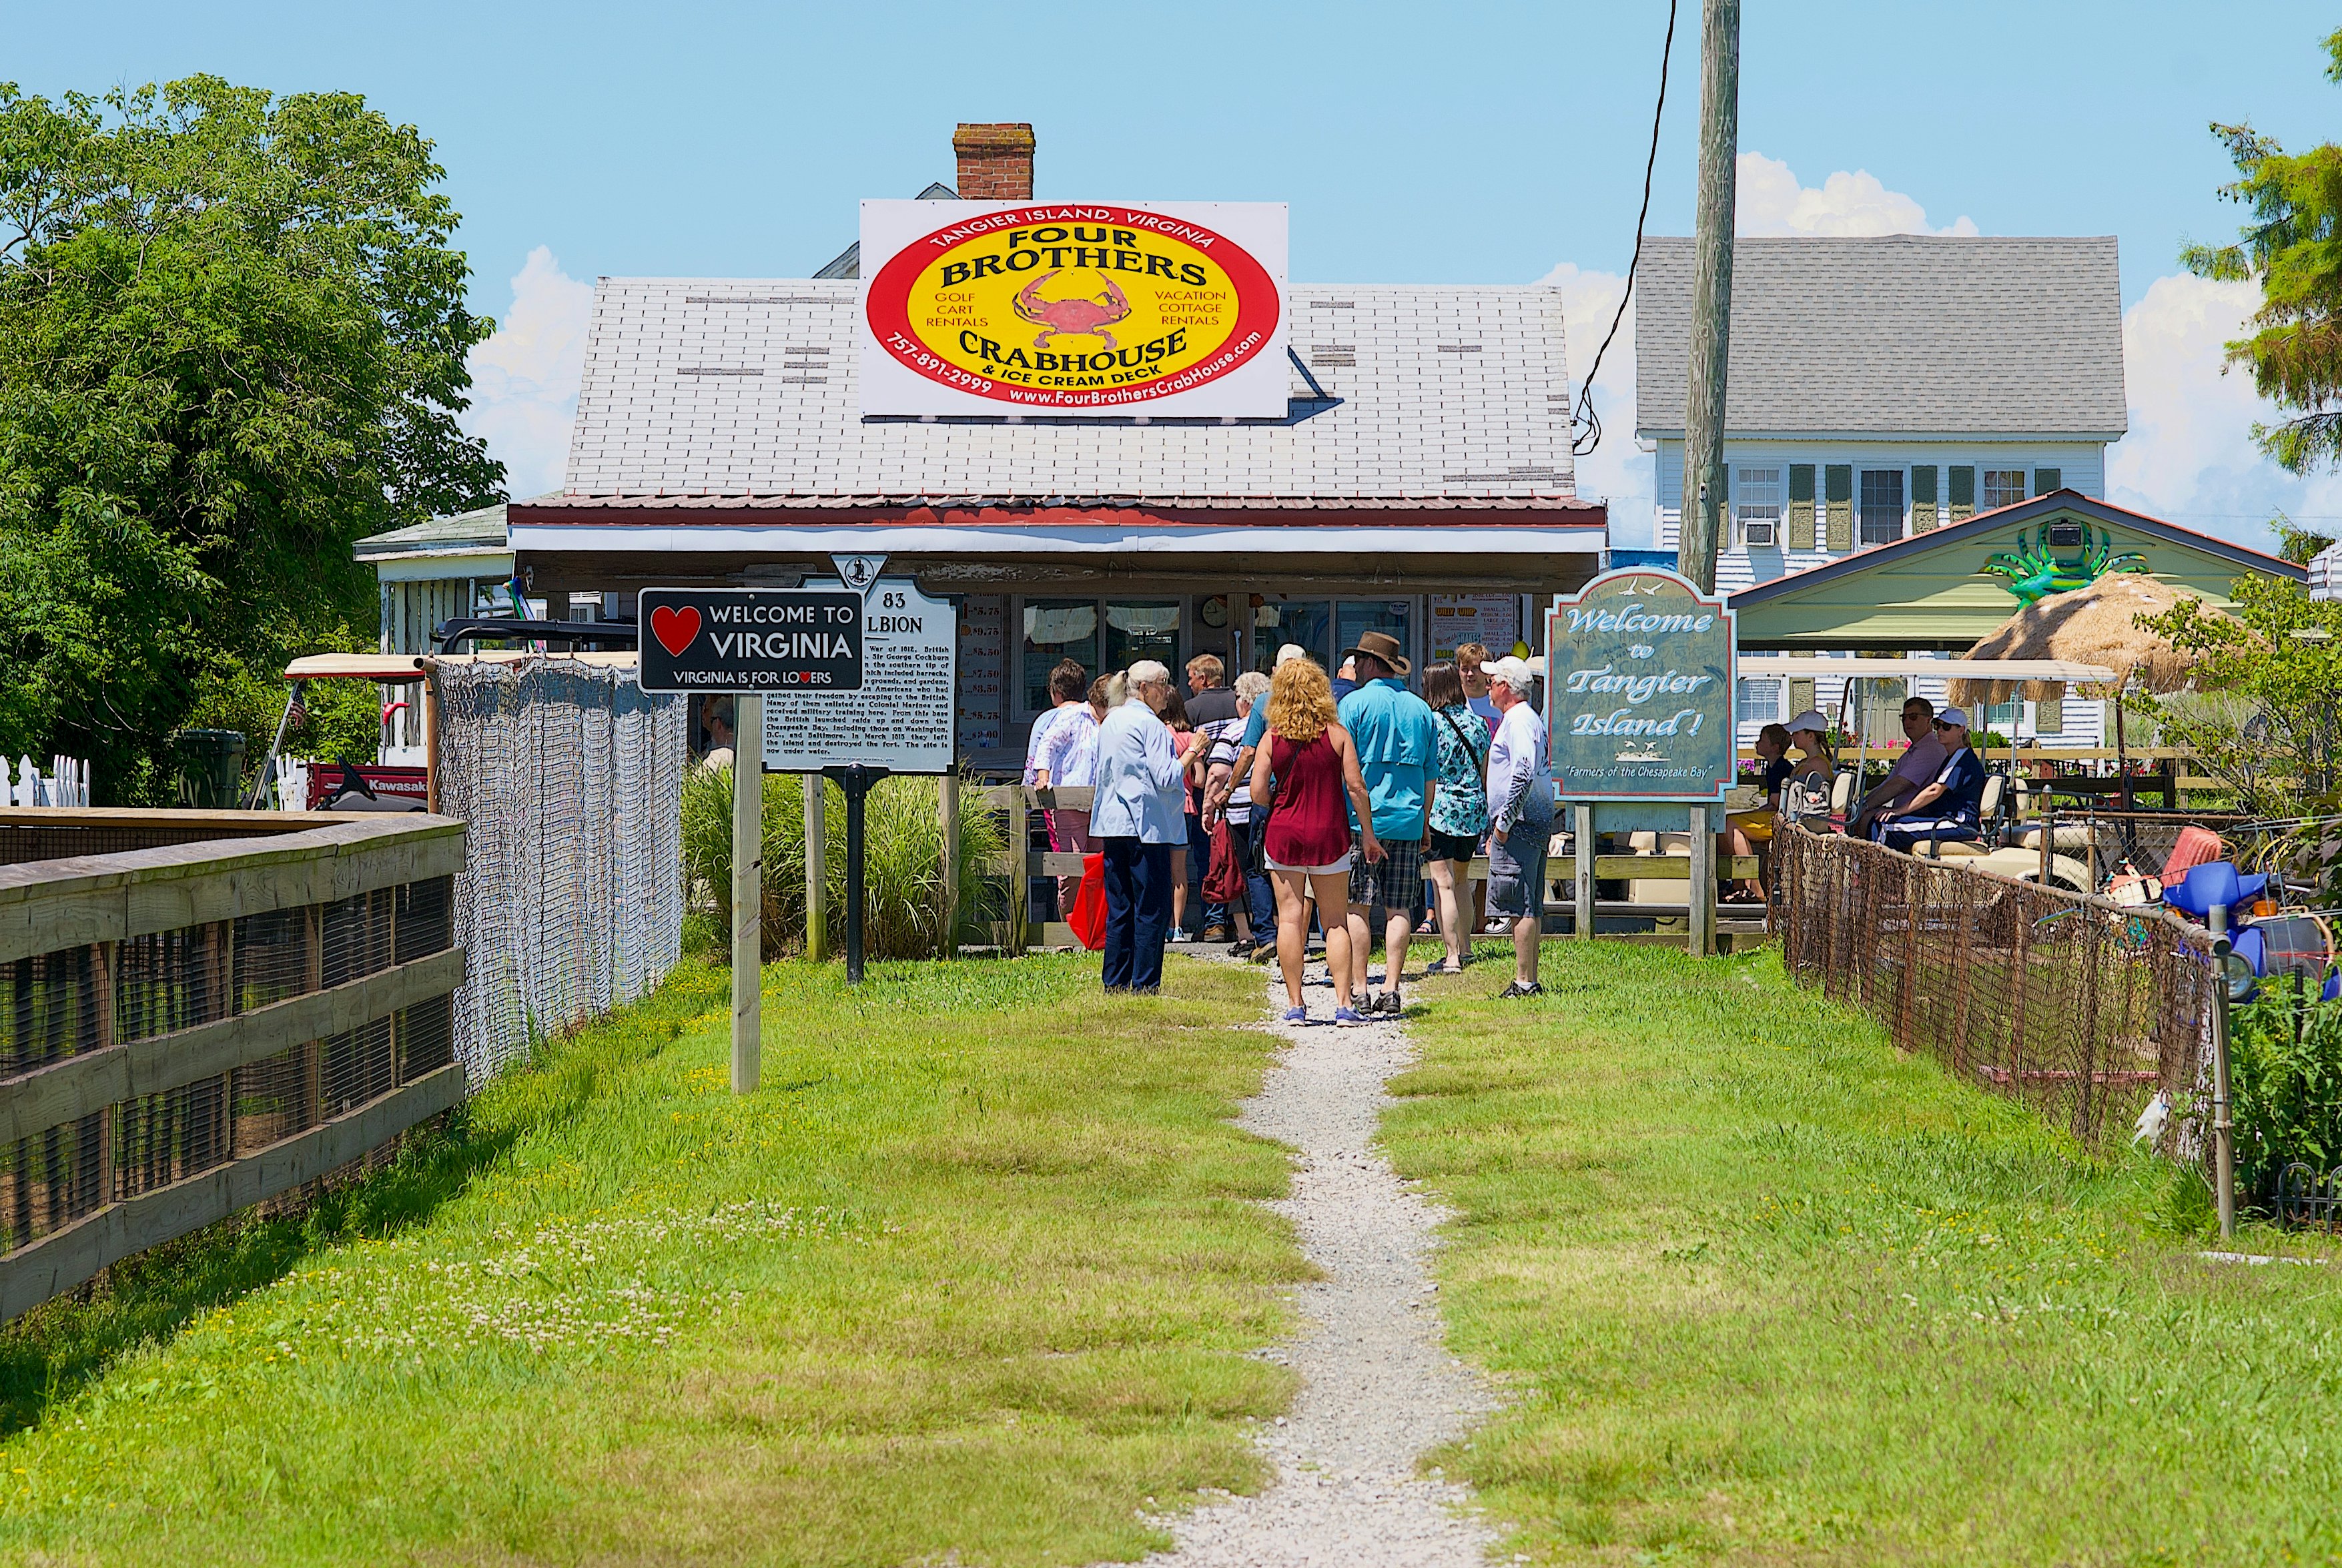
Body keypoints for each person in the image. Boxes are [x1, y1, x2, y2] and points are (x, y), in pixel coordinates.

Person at [1252, 657, 1379, 1026]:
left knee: (1290, 919)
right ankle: (1343, 1004)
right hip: (1330, 832)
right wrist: (1368, 835)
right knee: (1336, 920)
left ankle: (1295, 1004)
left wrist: (1278, 802)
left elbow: (1258, 790)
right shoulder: (1337, 734)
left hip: (1285, 833)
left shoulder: (1271, 737)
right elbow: (1356, 787)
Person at [1335, 631, 1437, 1016]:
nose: (1356, 667)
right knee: (1399, 908)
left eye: (1359, 661)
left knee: (1357, 907)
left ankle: (1360, 988)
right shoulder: (1421, 709)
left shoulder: (1354, 705)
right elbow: (1431, 776)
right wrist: (1425, 823)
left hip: (1363, 823)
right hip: (1409, 821)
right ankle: (1392, 989)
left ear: (1370, 664)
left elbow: (1345, 769)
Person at [1092, 661, 1188, 993]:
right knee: (1151, 906)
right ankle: (1145, 982)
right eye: (1163, 683)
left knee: (1120, 906)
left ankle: (1114, 980)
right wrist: (1190, 756)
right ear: (1144, 689)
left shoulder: (1110, 720)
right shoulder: (1153, 727)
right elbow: (1166, 777)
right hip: (1145, 825)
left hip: (1111, 822)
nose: (1168, 691)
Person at [1483, 655, 1552, 999]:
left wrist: (1503, 824)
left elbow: (1523, 770)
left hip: (1521, 824)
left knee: (1521, 902)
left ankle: (1524, 981)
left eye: (1493, 681)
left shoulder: (1519, 721)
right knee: (1530, 903)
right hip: (1531, 821)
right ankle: (1529, 977)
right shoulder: (1527, 719)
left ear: (1506, 687)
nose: (1488, 687)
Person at [1419, 661, 1489, 976]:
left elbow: (1425, 771)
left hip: (1441, 812)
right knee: (1462, 882)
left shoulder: (1430, 724)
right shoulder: (1479, 724)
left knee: (1443, 885)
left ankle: (1451, 958)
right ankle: (1467, 946)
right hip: (1473, 812)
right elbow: (1483, 773)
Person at [1205, 671, 1274, 957]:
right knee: (1274, 871)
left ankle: (1260, 934)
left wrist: (1210, 804)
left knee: (1249, 871)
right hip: (1273, 806)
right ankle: (1286, 934)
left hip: (1240, 812)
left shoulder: (1234, 732)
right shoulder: (1281, 724)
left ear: (1246, 701)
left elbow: (1217, 772)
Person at [1036, 677, 1108, 915]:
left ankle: (1093, 931)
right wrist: (1043, 775)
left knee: (1100, 866)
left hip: (1103, 804)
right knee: (1072, 867)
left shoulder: (1114, 721)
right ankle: (1067, 930)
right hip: (1070, 802)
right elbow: (1048, 743)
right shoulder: (1074, 715)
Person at [1871, 707, 1987, 853]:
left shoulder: (1962, 758)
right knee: (1882, 821)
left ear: (1961, 730)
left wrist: (1900, 811)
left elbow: (1934, 790)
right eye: (1937, 726)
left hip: (1959, 824)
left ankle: (1881, 873)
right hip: (1944, 819)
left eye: (1946, 727)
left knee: (1886, 827)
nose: (1940, 731)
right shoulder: (1952, 757)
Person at [1181, 654, 1238, 939]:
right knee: (1237, 857)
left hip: (1206, 793)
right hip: (1238, 792)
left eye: (1191, 677)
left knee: (1208, 858)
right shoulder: (1239, 702)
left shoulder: (1191, 708)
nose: (1189, 683)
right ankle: (1240, 922)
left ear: (1203, 679)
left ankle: (1214, 921)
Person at [1850, 696, 1948, 837]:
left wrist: (1864, 807)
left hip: (1922, 814)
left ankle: (1871, 859)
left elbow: (1900, 784)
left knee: (1868, 819)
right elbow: (1888, 783)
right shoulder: (1915, 750)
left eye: (1913, 717)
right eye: (1904, 717)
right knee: (1864, 817)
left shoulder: (1930, 750)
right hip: (1906, 811)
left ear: (1928, 721)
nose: (1907, 722)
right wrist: (1863, 804)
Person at [1721, 721, 1794, 900]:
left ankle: (1753, 885)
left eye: (1762, 740)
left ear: (1775, 747)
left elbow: (1776, 804)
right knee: (1725, 824)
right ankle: (1738, 883)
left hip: (1778, 820)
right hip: (1773, 815)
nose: (1757, 743)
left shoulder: (1780, 769)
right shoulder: (1773, 767)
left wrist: (1756, 812)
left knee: (1730, 824)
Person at [1160, 686, 1204, 940]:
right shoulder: (1188, 737)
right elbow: (1200, 779)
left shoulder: (1154, 733)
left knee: (1157, 866)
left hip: (1158, 807)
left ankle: (1160, 921)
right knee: (1179, 870)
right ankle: (1177, 926)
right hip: (1185, 805)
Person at [1778, 710, 1836, 829]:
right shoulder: (1806, 762)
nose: (1792, 736)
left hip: (1801, 822)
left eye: (1797, 732)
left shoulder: (1817, 764)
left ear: (1811, 736)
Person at [698, 699, 737, 771]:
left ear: (718, 724)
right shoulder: (741, 752)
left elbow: (695, 781)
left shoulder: (719, 757)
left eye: (712, 720)